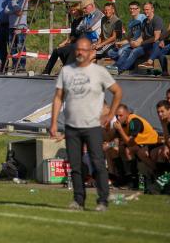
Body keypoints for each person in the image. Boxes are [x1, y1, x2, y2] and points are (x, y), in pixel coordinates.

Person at [50, 37, 122, 211]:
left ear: (91, 52)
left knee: (98, 164)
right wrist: (53, 123)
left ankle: (103, 201)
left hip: (92, 126)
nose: (80, 52)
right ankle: (78, 200)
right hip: (72, 126)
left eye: (84, 49)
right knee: (76, 166)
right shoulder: (67, 71)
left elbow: (117, 91)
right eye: (78, 50)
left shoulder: (99, 72)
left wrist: (111, 114)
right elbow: (59, 97)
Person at [114, 2, 164, 74]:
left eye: (147, 9)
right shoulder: (144, 21)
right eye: (144, 10)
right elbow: (141, 36)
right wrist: (136, 42)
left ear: (152, 9)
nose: (145, 11)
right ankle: (118, 67)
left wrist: (140, 43)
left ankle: (121, 69)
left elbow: (156, 38)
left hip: (155, 44)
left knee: (130, 51)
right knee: (128, 50)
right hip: (146, 44)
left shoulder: (157, 20)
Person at [112, 104, 159, 178]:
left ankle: (138, 177)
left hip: (152, 142)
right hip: (139, 143)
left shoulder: (134, 121)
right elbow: (116, 138)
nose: (118, 118)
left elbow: (130, 143)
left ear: (127, 114)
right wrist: (114, 146)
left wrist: (120, 130)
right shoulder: (121, 123)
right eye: (116, 116)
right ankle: (121, 176)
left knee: (128, 150)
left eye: (121, 115)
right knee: (115, 149)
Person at [42, 4, 84, 75]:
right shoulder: (74, 22)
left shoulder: (82, 20)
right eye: (72, 10)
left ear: (79, 11)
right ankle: (46, 71)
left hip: (78, 43)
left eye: (74, 10)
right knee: (57, 50)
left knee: (61, 50)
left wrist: (66, 43)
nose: (73, 12)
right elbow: (71, 36)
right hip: (72, 42)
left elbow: (75, 36)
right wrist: (64, 43)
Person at [105, 2, 146, 75]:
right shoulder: (130, 22)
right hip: (132, 43)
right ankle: (125, 65)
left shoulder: (143, 18)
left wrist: (138, 42)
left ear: (139, 9)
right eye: (130, 9)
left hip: (141, 43)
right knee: (110, 51)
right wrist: (119, 43)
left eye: (134, 9)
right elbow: (129, 38)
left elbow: (145, 33)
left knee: (122, 51)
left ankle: (118, 67)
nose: (132, 10)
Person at [139, 0, 170, 74]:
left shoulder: (157, 19)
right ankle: (164, 71)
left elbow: (169, 32)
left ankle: (150, 62)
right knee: (158, 46)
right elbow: (166, 34)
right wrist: (162, 40)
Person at [4, 0, 28, 72]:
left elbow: (18, 9)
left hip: (21, 26)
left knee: (20, 45)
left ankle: (22, 65)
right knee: (12, 46)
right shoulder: (11, 0)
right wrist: (14, 11)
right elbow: (6, 10)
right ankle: (15, 65)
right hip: (12, 26)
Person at [150, 100, 170, 168]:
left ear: (169, 110)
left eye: (162, 111)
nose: (160, 114)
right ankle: (159, 175)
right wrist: (165, 146)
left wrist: (164, 125)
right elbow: (168, 140)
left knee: (164, 152)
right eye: (158, 112)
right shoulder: (166, 121)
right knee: (153, 153)